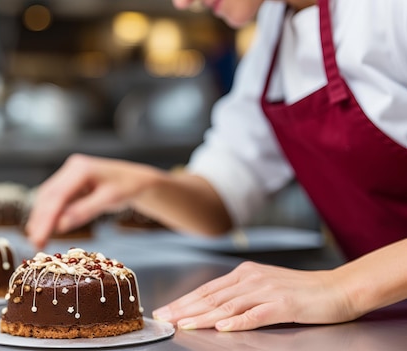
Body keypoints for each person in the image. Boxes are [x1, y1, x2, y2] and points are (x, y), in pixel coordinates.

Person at [26, 0, 407, 332]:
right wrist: (141, 184)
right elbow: (222, 198)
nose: (181, 3)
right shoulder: (273, 36)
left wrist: (340, 288)